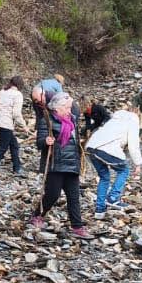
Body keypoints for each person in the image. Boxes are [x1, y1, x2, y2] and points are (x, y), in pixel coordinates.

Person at [29, 93, 91, 239]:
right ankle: (37, 215)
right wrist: (46, 141)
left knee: (74, 196)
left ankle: (77, 227)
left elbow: (75, 142)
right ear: (57, 108)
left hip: (72, 163)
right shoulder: (47, 120)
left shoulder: (73, 120)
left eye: (70, 107)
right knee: (53, 194)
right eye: (67, 107)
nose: (70, 110)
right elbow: (39, 143)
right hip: (55, 163)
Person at [84, 107, 142, 215]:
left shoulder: (113, 119)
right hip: (105, 148)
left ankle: (99, 210)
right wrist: (138, 164)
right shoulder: (132, 121)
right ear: (137, 115)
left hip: (91, 147)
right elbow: (133, 145)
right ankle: (113, 197)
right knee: (124, 171)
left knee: (104, 177)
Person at [0, 76, 27, 176]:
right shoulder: (18, 95)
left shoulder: (3, 91)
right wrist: (24, 126)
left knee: (14, 145)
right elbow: (16, 113)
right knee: (2, 148)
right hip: (7, 124)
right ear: (20, 85)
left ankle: (17, 168)